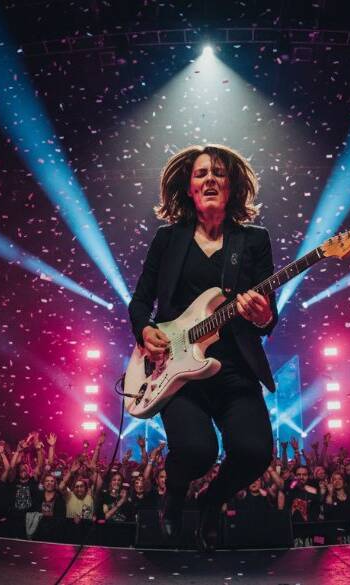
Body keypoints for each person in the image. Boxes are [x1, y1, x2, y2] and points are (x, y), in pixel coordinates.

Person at [128, 144, 277, 552]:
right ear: (189, 187)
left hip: (233, 369)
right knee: (196, 451)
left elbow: (269, 316)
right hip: (177, 370)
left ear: (232, 187)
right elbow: (140, 301)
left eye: (218, 173)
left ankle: (210, 503)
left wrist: (262, 314)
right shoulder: (168, 239)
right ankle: (174, 497)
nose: (209, 179)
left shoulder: (253, 241)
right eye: (200, 173)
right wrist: (144, 330)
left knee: (254, 451)